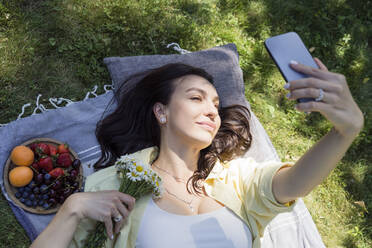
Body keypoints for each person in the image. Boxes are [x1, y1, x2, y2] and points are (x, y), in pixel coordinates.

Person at [30, 60, 364, 248]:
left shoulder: (235, 179)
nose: (211, 111)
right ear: (161, 112)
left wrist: (345, 131)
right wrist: (73, 208)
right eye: (196, 98)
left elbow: (294, 183)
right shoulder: (114, 184)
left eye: (216, 105)